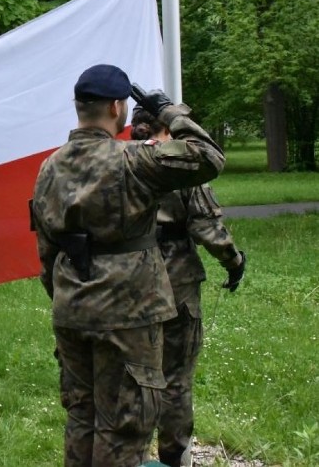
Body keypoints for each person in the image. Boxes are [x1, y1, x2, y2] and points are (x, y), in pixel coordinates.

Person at [30, 64, 226, 467]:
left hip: (72, 308)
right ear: (118, 108)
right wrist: (169, 111)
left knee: (82, 417)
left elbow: (46, 247)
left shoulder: (49, 167)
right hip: (129, 312)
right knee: (124, 425)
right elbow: (208, 157)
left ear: (79, 107)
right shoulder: (135, 160)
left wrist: (64, 294)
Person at [131, 106, 246, 467]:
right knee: (176, 379)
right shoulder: (178, 168)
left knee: (132, 376)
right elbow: (206, 228)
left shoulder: (120, 162)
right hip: (176, 283)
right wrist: (234, 261)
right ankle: (173, 458)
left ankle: (128, 455)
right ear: (168, 127)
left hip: (126, 284)